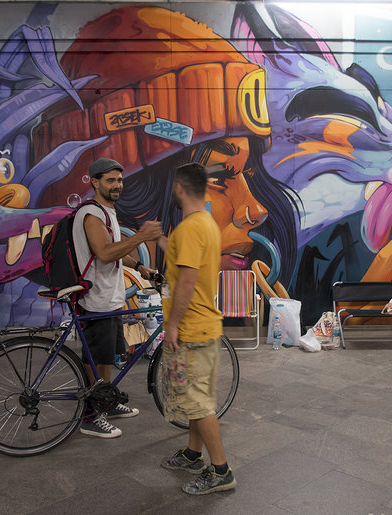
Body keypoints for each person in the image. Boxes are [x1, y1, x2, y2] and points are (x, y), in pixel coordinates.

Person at [159, 162, 236, 494]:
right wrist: (158, 239)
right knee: (197, 400)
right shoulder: (205, 224)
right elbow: (183, 259)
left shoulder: (191, 228)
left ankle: (221, 471)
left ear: (179, 187)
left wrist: (173, 326)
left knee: (199, 404)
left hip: (192, 329)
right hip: (206, 327)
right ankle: (193, 454)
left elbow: (187, 282)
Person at [73, 157, 162, 438]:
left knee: (107, 357)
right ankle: (90, 416)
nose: (117, 185)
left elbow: (115, 249)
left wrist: (139, 266)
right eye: (110, 180)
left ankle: (106, 402)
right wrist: (141, 236)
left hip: (110, 297)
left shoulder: (106, 211)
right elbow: (104, 253)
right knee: (96, 360)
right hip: (96, 299)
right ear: (94, 182)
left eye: (120, 180)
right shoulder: (91, 214)